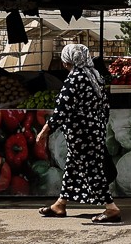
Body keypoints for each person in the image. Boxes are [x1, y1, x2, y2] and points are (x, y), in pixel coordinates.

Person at [35, 43, 123, 224]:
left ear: (69, 60)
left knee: (92, 169)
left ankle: (111, 208)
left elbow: (62, 109)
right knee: (73, 167)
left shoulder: (75, 78)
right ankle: (60, 204)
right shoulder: (95, 76)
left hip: (81, 134)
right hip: (93, 131)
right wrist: (98, 126)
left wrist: (45, 130)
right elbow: (105, 106)